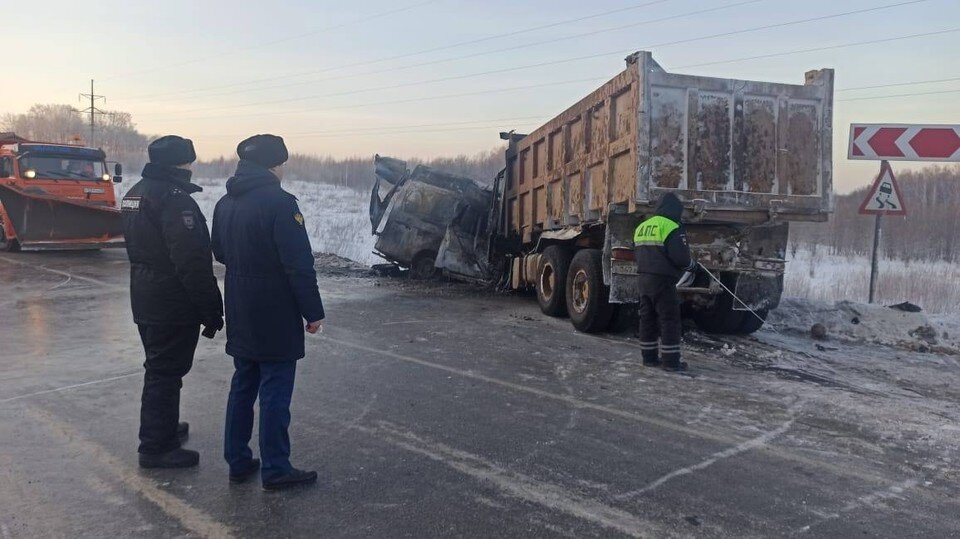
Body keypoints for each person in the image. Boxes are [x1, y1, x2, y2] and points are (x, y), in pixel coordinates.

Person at [211, 134, 325, 491]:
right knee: (275, 388)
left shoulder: (226, 202)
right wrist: (313, 311)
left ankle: (238, 461)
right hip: (274, 309)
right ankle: (276, 468)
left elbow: (220, 252)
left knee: (243, 384)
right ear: (274, 166)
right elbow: (299, 265)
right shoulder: (280, 203)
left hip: (240, 305)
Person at [121, 135, 224, 468]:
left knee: (160, 367)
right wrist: (212, 308)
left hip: (145, 295)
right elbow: (191, 261)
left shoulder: (135, 192)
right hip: (170, 301)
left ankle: (163, 427)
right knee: (165, 372)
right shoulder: (174, 199)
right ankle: (156, 446)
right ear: (182, 163)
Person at [633, 193, 696, 372]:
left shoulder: (642, 226)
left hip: (643, 280)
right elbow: (681, 258)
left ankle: (649, 358)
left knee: (647, 319)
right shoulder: (672, 226)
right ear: (675, 210)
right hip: (663, 281)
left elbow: (636, 253)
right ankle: (670, 362)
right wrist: (693, 266)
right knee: (669, 320)